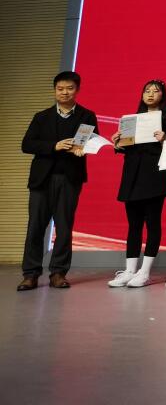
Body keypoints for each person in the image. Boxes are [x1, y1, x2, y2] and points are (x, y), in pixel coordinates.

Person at [19, 71, 98, 291]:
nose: (64, 92)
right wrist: (54, 146)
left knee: (64, 227)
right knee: (35, 227)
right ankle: (30, 274)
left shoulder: (86, 116)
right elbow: (27, 144)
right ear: (55, 90)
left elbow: (91, 142)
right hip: (42, 179)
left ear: (77, 90)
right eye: (60, 89)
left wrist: (84, 149)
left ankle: (58, 273)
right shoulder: (41, 117)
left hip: (70, 178)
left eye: (69, 88)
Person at [107, 79, 166, 288]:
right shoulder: (133, 119)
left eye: (155, 91)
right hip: (132, 174)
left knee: (152, 223)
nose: (150, 94)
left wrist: (165, 139)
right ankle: (130, 270)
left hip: (155, 174)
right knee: (133, 224)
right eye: (146, 91)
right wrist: (118, 144)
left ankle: (145, 271)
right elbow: (128, 147)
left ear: (163, 95)